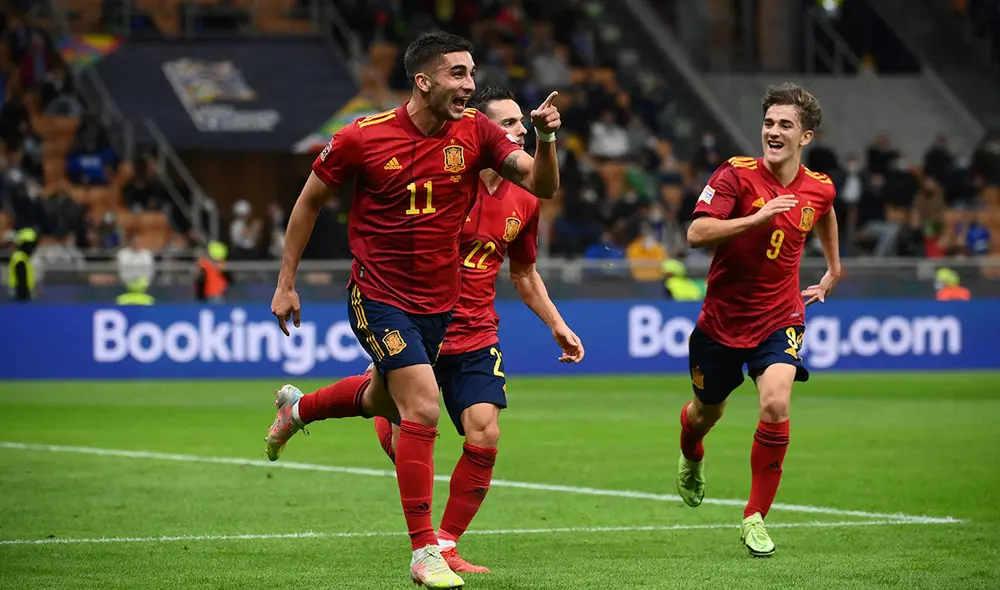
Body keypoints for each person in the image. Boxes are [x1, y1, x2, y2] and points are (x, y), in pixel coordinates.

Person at [267, 32, 561, 589]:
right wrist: (287, 283)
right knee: (422, 407)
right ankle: (427, 549)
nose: (469, 85)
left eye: (472, 73)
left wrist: (544, 139)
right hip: (377, 293)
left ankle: (298, 410)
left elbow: (539, 184)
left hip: (440, 302)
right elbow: (308, 202)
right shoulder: (361, 137)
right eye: (457, 74)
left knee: (385, 400)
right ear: (423, 81)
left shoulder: (475, 132)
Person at [677, 83, 841, 557]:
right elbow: (696, 233)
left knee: (775, 403)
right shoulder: (735, 174)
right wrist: (758, 217)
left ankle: (754, 516)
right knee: (705, 413)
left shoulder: (820, 186)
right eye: (769, 123)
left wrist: (833, 267)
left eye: (785, 125)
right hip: (721, 323)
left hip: (780, 315)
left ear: (804, 136)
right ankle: (691, 454)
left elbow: (824, 212)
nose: (773, 131)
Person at [7, 228, 38, 302]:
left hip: (20, 293)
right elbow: (21, 281)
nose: (33, 248)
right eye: (31, 245)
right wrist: (24, 299)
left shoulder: (22, 257)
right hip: (19, 295)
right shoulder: (20, 259)